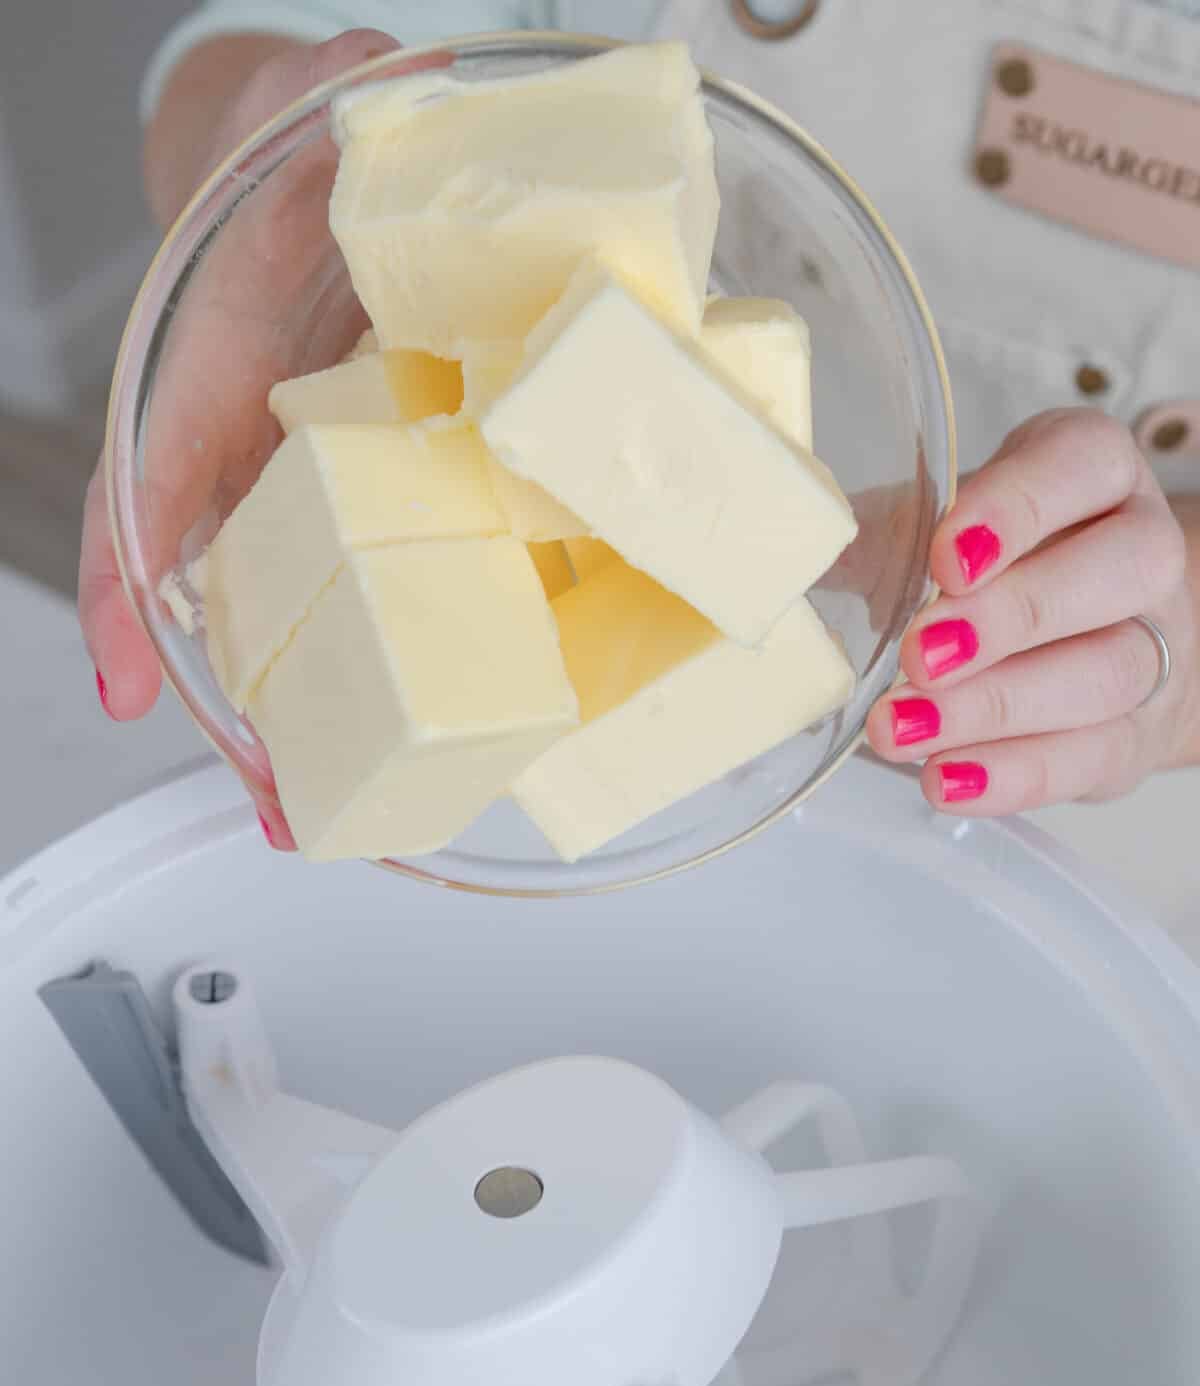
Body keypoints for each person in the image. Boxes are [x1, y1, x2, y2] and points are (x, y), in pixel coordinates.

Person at [80, 0, 1200, 848]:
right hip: (549, 775)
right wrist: (263, 203)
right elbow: (260, 41)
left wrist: (1179, 627)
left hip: (1105, 788)